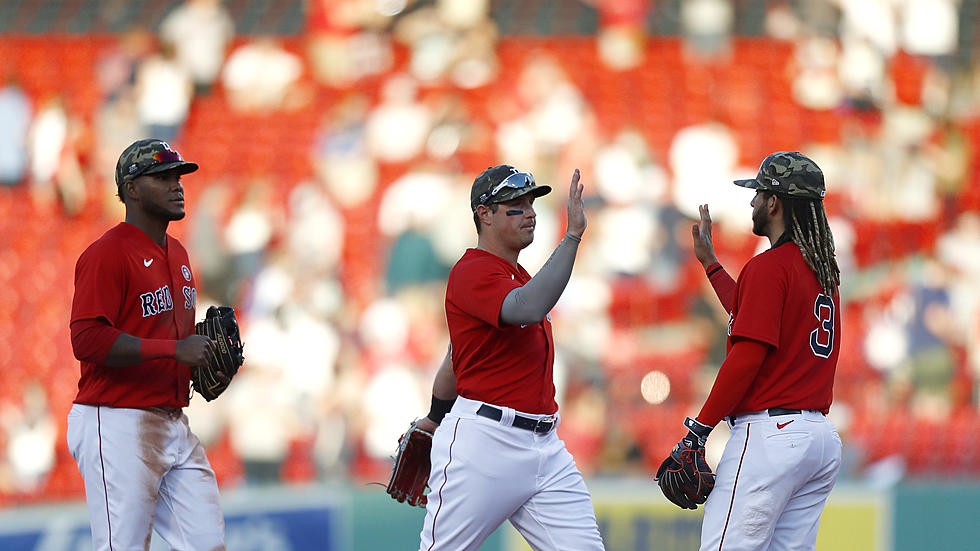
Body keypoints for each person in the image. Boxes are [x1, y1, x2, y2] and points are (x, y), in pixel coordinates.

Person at [414, 165, 605, 550]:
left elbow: (456, 360)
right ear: (484, 214)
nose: (530, 211)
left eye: (531, 202)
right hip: (486, 442)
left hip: (545, 446)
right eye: (515, 205)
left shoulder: (515, 273)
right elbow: (528, 308)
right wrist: (572, 236)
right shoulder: (471, 271)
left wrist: (434, 416)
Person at [67, 139, 226, 550]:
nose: (177, 185)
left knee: (207, 543)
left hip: (172, 419)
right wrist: (175, 352)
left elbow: (171, 337)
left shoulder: (179, 253)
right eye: (163, 177)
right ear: (132, 189)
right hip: (115, 418)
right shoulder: (107, 253)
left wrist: (201, 363)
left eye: (179, 176)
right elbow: (86, 340)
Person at [680, 151, 843, 550]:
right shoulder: (822, 271)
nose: (752, 202)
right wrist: (712, 266)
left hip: (771, 435)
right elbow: (751, 311)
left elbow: (747, 355)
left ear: (774, 202)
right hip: (817, 439)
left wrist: (699, 430)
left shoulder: (770, 266)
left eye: (758, 194)